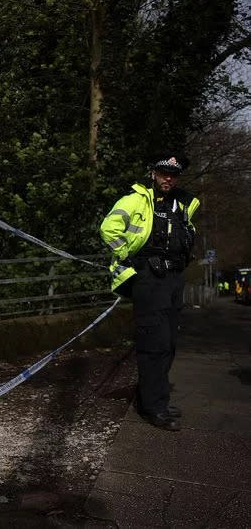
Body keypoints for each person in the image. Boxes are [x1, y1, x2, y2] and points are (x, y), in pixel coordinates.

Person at [100, 155, 199, 431]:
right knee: (153, 344)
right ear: (153, 173)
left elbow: (185, 236)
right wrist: (129, 254)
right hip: (149, 279)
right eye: (163, 173)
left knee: (168, 343)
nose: (169, 178)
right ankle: (154, 408)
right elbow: (109, 230)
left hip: (174, 280)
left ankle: (155, 400)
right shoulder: (136, 200)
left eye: (174, 174)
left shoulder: (183, 205)